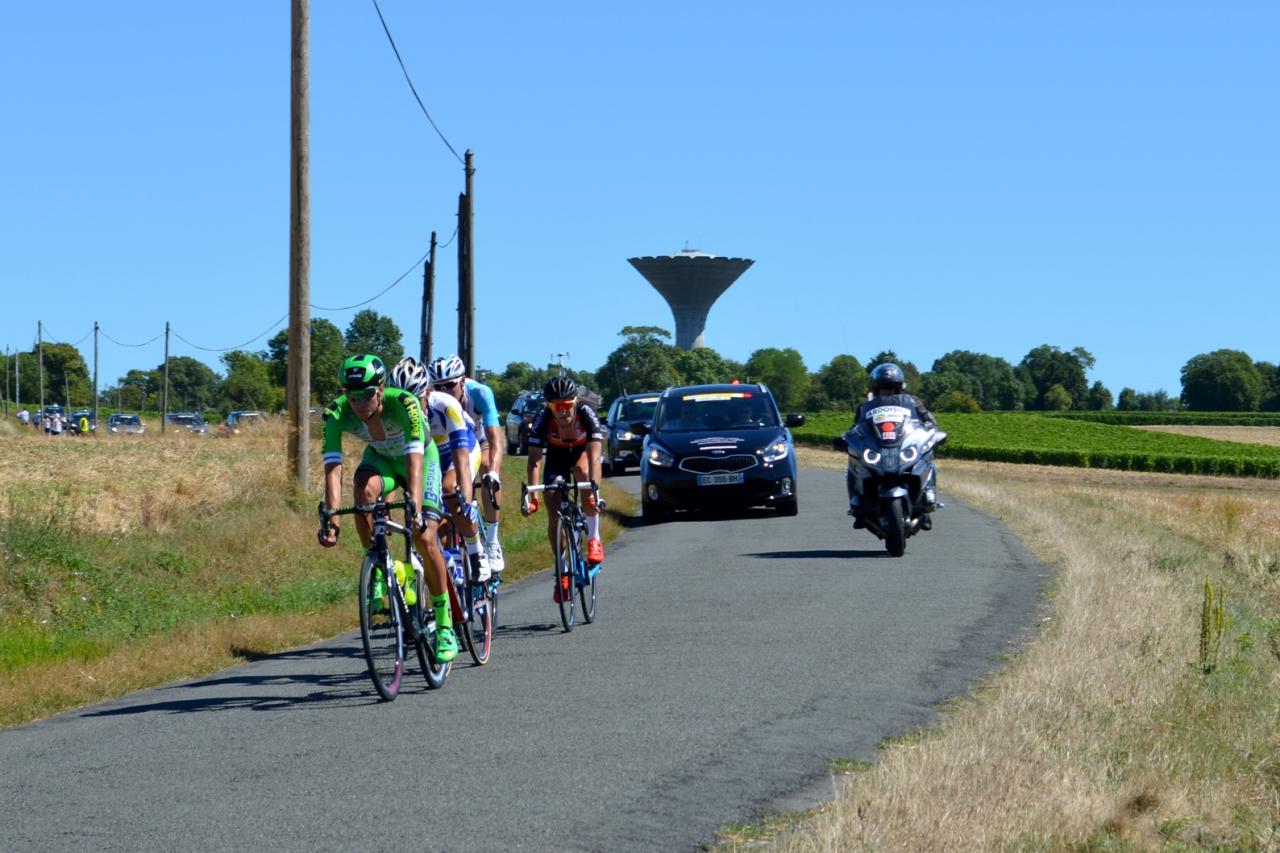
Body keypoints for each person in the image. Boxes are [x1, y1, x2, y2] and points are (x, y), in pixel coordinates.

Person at [317, 354, 458, 662]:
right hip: (381, 460)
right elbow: (333, 469)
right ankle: (380, 563)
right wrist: (332, 520)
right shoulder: (336, 413)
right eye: (351, 395)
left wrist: (417, 508)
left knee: (424, 536)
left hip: (421, 461)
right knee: (363, 489)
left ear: (381, 389)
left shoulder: (405, 404)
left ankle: (445, 622)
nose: (359, 402)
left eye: (367, 394)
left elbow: (416, 460)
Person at [390, 356, 491, 584]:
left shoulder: (446, 406)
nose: (409, 408)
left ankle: (476, 552)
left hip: (462, 448)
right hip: (430, 459)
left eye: (414, 399)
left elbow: (462, 460)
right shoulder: (395, 418)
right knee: (430, 519)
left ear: (427, 393)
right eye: (402, 401)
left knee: (450, 490)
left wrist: (465, 499)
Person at [520, 376, 606, 602]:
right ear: (549, 406)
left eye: (567, 405)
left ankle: (594, 538)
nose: (563, 411)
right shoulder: (542, 418)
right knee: (553, 504)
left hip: (582, 452)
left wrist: (595, 492)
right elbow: (534, 462)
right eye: (557, 407)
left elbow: (595, 458)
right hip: (556, 457)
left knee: (582, 472)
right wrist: (533, 496)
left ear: (575, 402)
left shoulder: (586, 412)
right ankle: (561, 571)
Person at [426, 355, 506, 575]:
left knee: (488, 470)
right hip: (448, 446)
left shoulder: (480, 393)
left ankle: (491, 540)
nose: (443, 391)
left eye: (449, 385)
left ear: (462, 382)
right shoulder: (434, 403)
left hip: (478, 441)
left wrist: (494, 473)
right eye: (437, 387)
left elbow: (494, 438)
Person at [849, 363, 939, 528]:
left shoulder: (913, 402)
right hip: (878, 445)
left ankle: (926, 502)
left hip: (902, 443)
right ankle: (858, 507)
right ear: (876, 387)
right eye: (884, 386)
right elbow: (857, 426)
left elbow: (928, 420)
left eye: (892, 386)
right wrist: (850, 437)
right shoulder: (865, 406)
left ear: (899, 388)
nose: (887, 390)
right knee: (853, 464)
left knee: (928, 459)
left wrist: (932, 429)